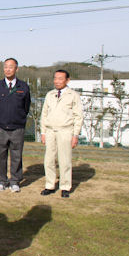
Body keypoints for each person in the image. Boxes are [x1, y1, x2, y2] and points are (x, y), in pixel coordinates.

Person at [40, 69, 84, 198]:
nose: (57, 81)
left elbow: (78, 116)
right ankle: (49, 185)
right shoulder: (50, 94)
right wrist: (42, 132)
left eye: (60, 78)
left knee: (65, 160)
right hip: (50, 131)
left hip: (65, 131)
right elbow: (44, 114)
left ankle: (65, 186)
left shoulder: (73, 95)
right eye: (55, 78)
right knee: (49, 160)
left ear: (67, 80)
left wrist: (75, 135)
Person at [0, 58, 31, 193]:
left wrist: (18, 118)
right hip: (1, 127)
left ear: (16, 69)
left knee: (17, 155)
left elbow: (26, 107)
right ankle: (2, 181)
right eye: (5, 67)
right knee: (0, 156)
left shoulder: (23, 87)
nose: (7, 69)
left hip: (17, 128)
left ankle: (15, 181)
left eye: (11, 67)